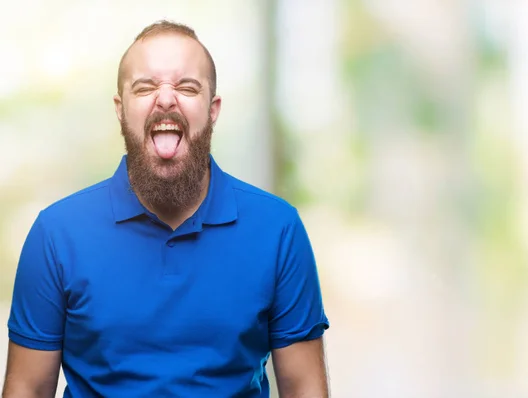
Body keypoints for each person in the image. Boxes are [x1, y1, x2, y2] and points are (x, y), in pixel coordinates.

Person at [2, 20, 330, 398]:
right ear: (120, 109)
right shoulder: (56, 234)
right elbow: (26, 388)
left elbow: (305, 387)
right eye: (145, 87)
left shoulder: (278, 229)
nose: (166, 99)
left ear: (213, 109)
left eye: (187, 87)